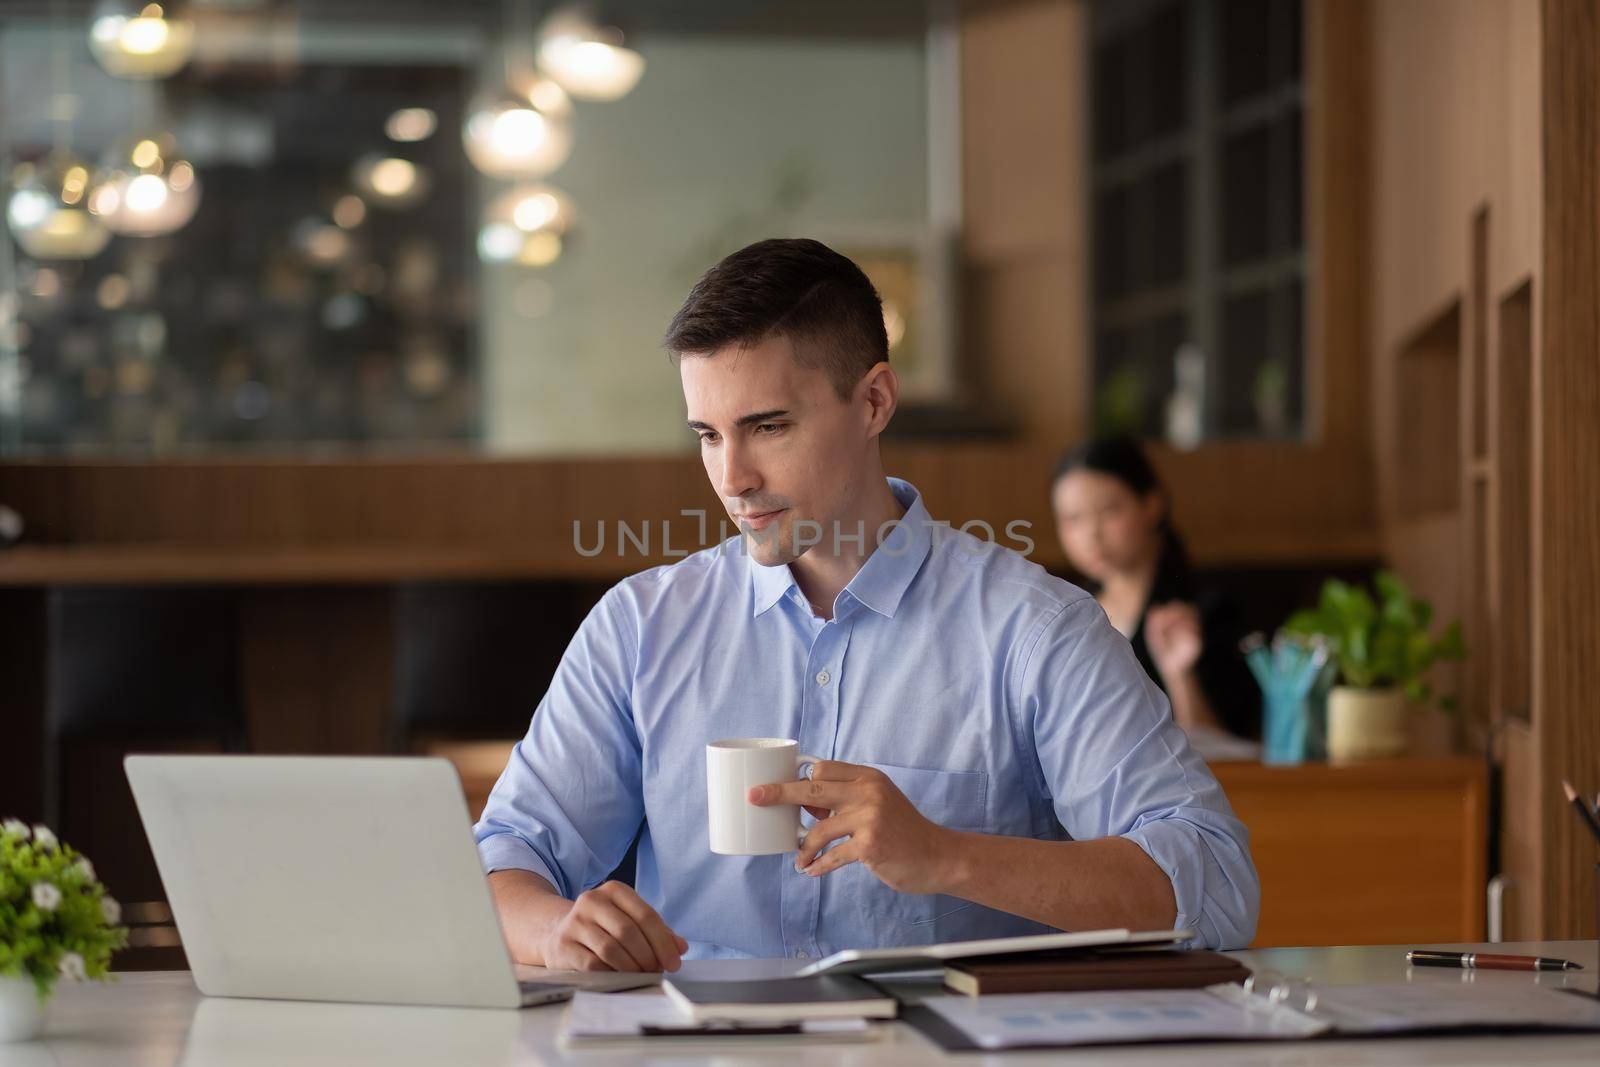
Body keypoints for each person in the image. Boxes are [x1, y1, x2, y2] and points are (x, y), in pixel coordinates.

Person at [475, 239, 1258, 972]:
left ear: (875, 399)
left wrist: (949, 854)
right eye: (707, 435)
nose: (731, 476)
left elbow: (1218, 886)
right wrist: (556, 929)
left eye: (768, 426)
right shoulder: (639, 627)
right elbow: (500, 855)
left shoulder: (1036, 630)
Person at [1050, 438, 1260, 740]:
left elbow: (1222, 752)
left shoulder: (1209, 613)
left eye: (1109, 511)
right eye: (1073, 519)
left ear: (1152, 505)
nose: (1091, 534)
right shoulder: (1067, 619)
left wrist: (1180, 675)